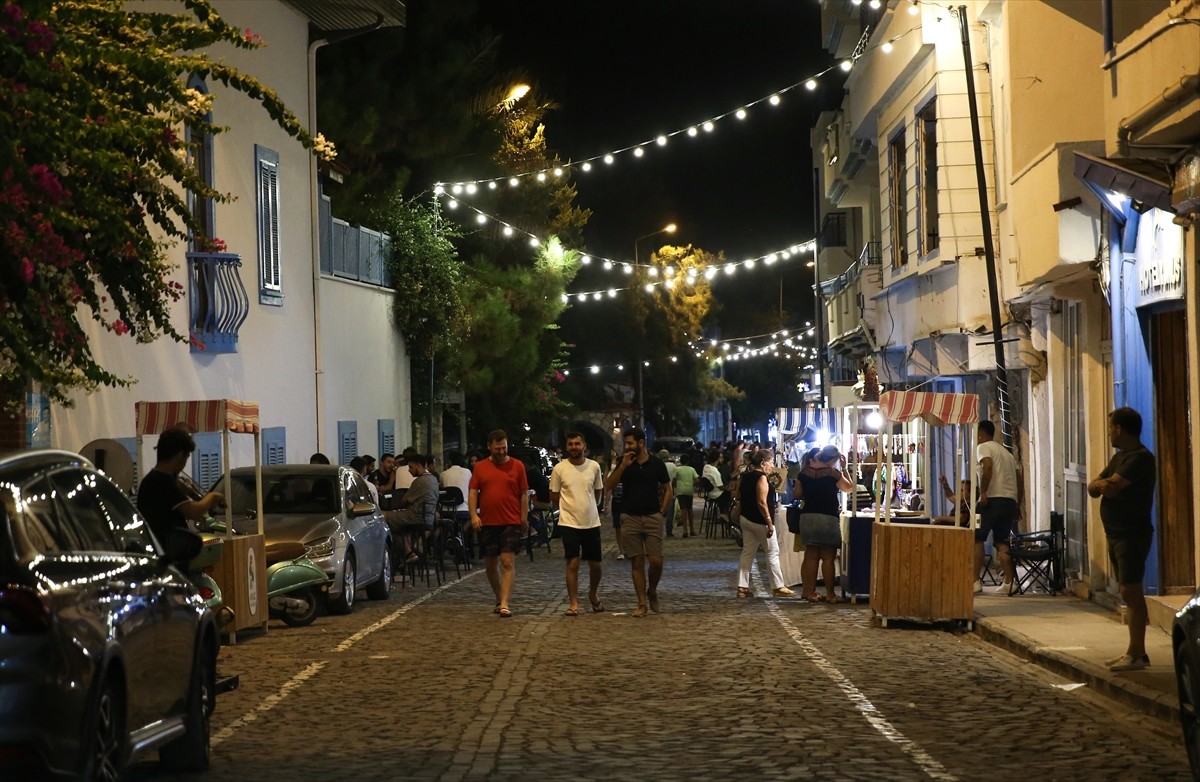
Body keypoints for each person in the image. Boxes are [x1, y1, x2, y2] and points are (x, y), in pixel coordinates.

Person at [1088, 407, 1156, 672]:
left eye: (1110, 428)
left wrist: (1105, 485)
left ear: (1120, 429)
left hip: (1132, 534)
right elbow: (1095, 487)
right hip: (1116, 534)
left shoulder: (1139, 459)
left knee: (1131, 590)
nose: (1108, 434)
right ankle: (1134, 650)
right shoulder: (1120, 458)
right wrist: (1101, 484)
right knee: (1127, 590)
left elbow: (1112, 489)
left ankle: (1137, 652)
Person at [604, 428, 672, 617]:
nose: (627, 447)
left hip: (652, 516)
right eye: (626, 443)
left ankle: (652, 591)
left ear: (641, 443)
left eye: (630, 443)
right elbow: (608, 486)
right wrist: (623, 466)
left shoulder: (657, 463)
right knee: (637, 562)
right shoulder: (624, 463)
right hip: (630, 517)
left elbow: (668, 489)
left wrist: (662, 512)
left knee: (656, 561)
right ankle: (642, 602)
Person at [469, 430, 529, 617]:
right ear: (490, 447)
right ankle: (498, 597)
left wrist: (523, 517)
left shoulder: (517, 466)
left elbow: (523, 493)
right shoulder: (480, 467)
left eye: (504, 447)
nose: (502, 451)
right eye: (498, 448)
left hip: (510, 520)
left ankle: (504, 602)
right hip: (488, 521)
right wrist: (474, 515)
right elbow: (473, 492)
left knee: (507, 561)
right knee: (490, 563)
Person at [137, 427, 225, 545]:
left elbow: (179, 487)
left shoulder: (153, 479)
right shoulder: (163, 482)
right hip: (166, 554)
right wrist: (212, 497)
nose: (184, 464)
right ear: (179, 455)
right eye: (187, 456)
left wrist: (197, 496)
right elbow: (193, 512)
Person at [550, 432, 605, 615]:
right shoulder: (559, 468)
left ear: (584, 446)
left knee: (595, 565)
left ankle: (593, 593)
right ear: (567, 447)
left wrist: (590, 507)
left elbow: (597, 492)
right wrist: (567, 509)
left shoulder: (594, 467)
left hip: (591, 522)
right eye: (570, 444)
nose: (574, 447)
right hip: (569, 523)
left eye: (577, 444)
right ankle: (573, 603)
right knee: (572, 563)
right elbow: (554, 495)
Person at [794, 445, 854, 602]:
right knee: (828, 557)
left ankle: (810, 592)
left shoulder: (804, 473)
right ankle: (830, 594)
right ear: (834, 460)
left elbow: (797, 494)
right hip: (827, 517)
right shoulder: (833, 473)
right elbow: (849, 488)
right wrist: (845, 469)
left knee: (811, 556)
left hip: (807, 517)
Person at [735, 450, 793, 598]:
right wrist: (769, 521)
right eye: (771, 463)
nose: (772, 466)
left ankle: (742, 587)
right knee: (772, 552)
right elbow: (762, 502)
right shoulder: (761, 478)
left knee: (747, 552)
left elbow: (737, 495)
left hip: (746, 518)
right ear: (762, 463)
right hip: (759, 520)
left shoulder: (745, 476)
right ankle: (778, 586)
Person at [976, 420, 1021, 594]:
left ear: (980, 433)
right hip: (1009, 502)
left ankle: (974, 582)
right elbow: (1019, 478)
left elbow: (987, 466)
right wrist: (1017, 502)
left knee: (976, 537)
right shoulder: (1007, 453)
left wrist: (984, 493)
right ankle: (1010, 582)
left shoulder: (983, 447)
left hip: (992, 500)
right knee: (1002, 542)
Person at [390, 454, 439, 563]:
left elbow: (404, 501)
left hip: (415, 517)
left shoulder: (419, 481)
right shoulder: (434, 479)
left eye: (411, 467)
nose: (409, 470)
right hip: (428, 518)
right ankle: (412, 550)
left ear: (417, 466)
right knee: (400, 526)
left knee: (383, 519)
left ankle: (409, 553)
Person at [672, 455, 698, 538]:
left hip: (680, 491)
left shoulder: (677, 469)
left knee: (683, 509)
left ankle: (685, 530)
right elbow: (697, 480)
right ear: (688, 461)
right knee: (690, 509)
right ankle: (692, 529)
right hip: (689, 490)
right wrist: (691, 484)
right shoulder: (691, 469)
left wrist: (675, 487)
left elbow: (674, 480)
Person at [658, 450, 678, 536]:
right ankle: (669, 531)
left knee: (659, 512)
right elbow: (675, 479)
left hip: (659, 492)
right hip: (670, 491)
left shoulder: (657, 465)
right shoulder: (673, 466)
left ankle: (658, 530)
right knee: (670, 513)